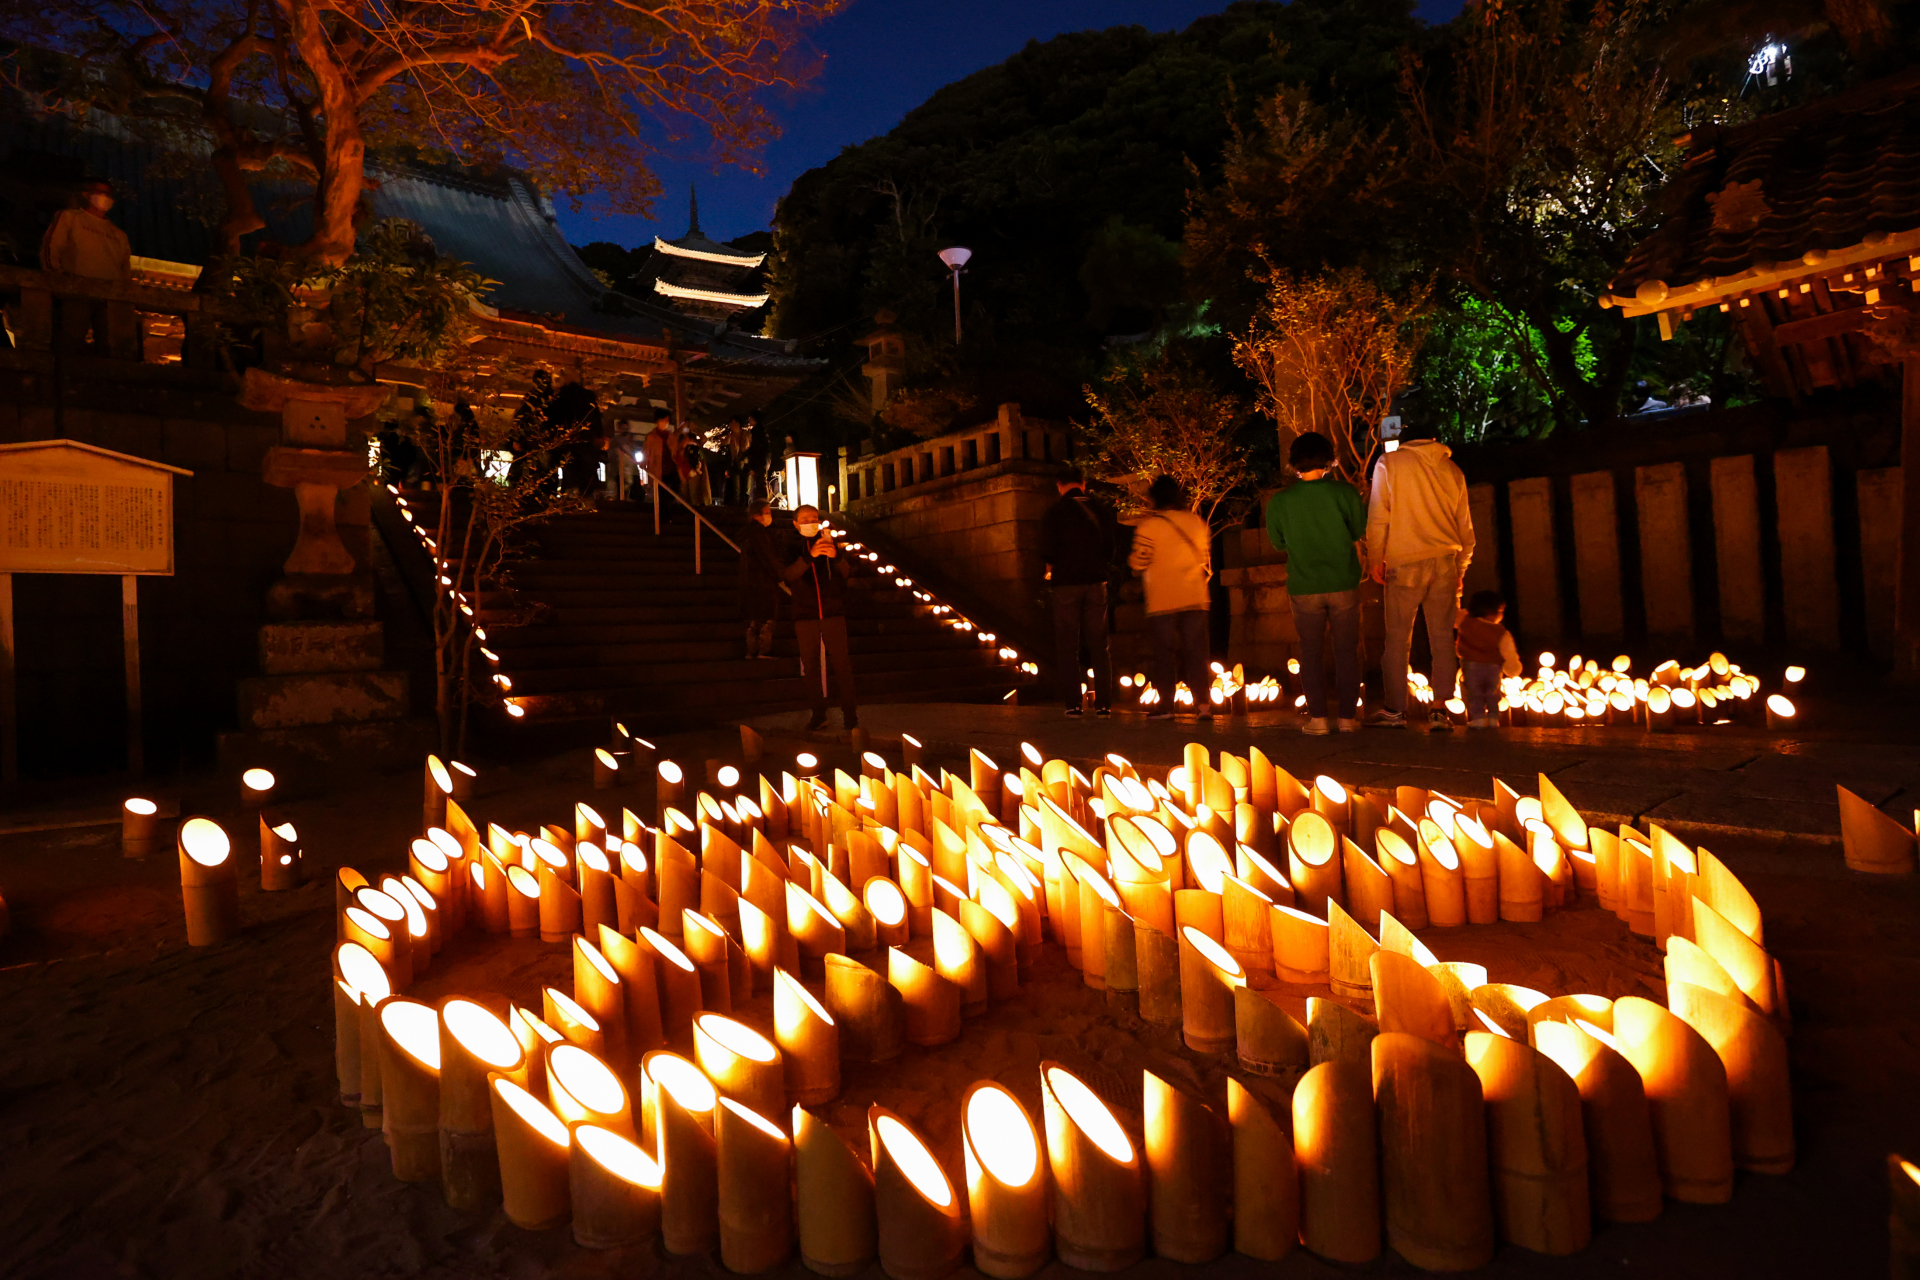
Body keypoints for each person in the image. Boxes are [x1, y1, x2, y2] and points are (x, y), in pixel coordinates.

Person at [1366, 421, 1475, 730]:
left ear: (1405, 439)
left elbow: (1378, 515)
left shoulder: (1390, 463)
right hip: (1445, 562)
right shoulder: (1452, 470)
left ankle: (1395, 710)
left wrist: (1376, 557)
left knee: (1398, 638)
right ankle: (1440, 710)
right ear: (1435, 438)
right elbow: (1465, 527)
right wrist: (1461, 568)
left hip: (1404, 560)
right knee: (1442, 637)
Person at [1265, 432, 1367, 735]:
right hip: (1343, 581)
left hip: (1304, 585)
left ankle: (1319, 718)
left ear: (1295, 462)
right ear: (1329, 459)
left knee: (1309, 652)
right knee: (1347, 651)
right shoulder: (1345, 493)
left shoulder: (1281, 501)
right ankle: (1348, 717)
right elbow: (1358, 529)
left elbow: (1277, 543)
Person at [1128, 474, 1213, 722]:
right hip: (1195, 595)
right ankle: (1204, 705)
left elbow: (1139, 560)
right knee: (1197, 652)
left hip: (1162, 598)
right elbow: (1203, 556)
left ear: (1154, 498)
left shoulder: (1149, 526)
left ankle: (1166, 705)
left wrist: (1136, 567)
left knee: (1164, 653)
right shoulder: (1196, 522)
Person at [1040, 470, 1116, 717]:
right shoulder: (1099, 510)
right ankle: (1104, 703)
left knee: (1067, 644)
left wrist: (1053, 564)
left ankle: (1073, 704)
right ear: (1083, 484)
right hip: (1096, 581)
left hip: (1066, 583)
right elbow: (1111, 547)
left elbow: (1047, 548)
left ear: (1059, 484)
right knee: (1099, 644)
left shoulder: (1055, 512)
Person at [781, 504, 858, 730]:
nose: (810, 522)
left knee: (842, 665)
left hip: (833, 612)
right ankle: (818, 713)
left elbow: (846, 572)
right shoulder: (790, 546)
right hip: (805, 615)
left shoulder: (829, 541)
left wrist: (835, 557)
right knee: (811, 667)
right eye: (804, 519)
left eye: (814, 518)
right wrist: (809, 557)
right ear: (795, 524)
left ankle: (850, 715)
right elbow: (788, 575)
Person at [40, 178, 132, 355]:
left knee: (110, 346)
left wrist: (123, 294)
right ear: (87, 195)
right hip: (75, 291)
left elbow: (124, 268)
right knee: (70, 342)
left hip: (109, 297)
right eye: (101, 193)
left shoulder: (118, 235)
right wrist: (57, 279)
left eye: (108, 194)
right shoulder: (70, 218)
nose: (105, 198)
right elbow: (51, 248)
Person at [1456, 589, 1522, 729]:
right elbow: (1509, 653)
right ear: (1494, 611)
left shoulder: (1465, 620)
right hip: (1493, 667)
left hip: (1470, 665)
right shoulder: (1501, 633)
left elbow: (1453, 614)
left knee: (1474, 692)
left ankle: (1478, 717)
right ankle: (1493, 717)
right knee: (1492, 692)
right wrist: (1513, 669)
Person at [739, 500, 785, 659]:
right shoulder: (760, 534)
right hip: (764, 583)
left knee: (754, 620)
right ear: (756, 515)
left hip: (750, 584)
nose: (769, 516)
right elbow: (768, 558)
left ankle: (751, 650)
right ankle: (765, 650)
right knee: (766, 619)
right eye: (766, 512)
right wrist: (780, 575)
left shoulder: (747, 534)